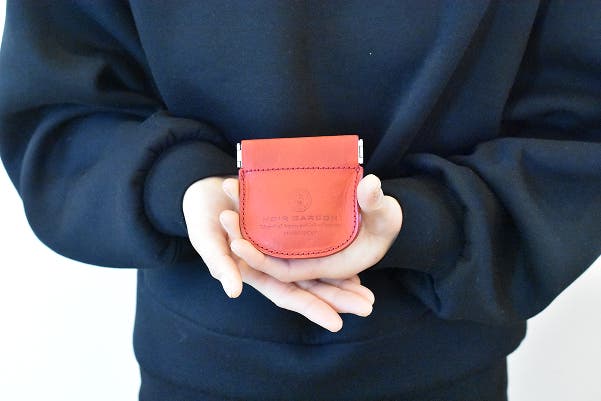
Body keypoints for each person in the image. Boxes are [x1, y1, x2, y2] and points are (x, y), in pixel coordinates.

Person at [0, 1, 599, 400]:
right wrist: (181, 184)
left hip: (441, 358)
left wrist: (426, 223)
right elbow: (57, 108)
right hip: (204, 361)